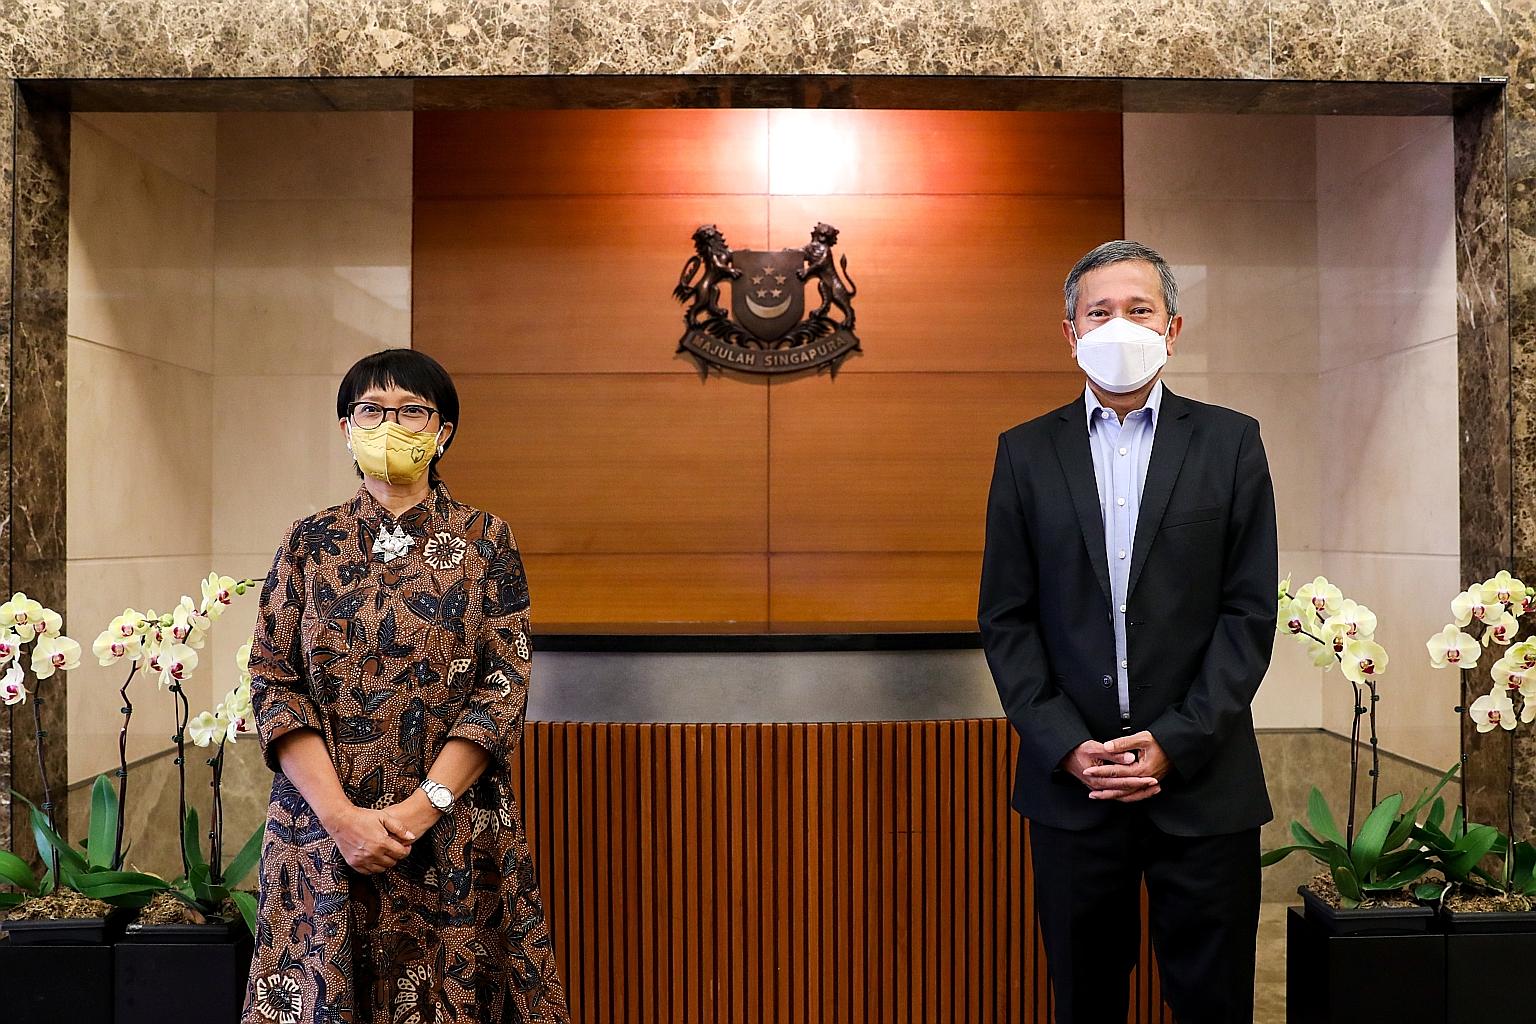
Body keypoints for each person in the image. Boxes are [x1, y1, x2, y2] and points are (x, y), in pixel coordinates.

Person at [978, 240, 1277, 1023]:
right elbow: (1006, 617)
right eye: (1099, 311)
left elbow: (1248, 612)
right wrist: (1064, 742)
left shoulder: (1231, 442)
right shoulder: (1024, 453)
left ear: (1173, 328)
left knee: (1213, 1005)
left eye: (1138, 309)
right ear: (1070, 332)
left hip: (1204, 784)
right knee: (1086, 1002)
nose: (1120, 325)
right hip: (1073, 789)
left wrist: (1176, 740)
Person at [243, 349, 568, 1024]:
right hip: (322, 830)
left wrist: (422, 809)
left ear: (443, 430)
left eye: (412, 410)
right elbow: (274, 681)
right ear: (345, 429)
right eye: (371, 410)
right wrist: (342, 819)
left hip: (453, 831)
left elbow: (501, 686)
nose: (390, 425)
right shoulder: (309, 542)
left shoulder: (486, 541)